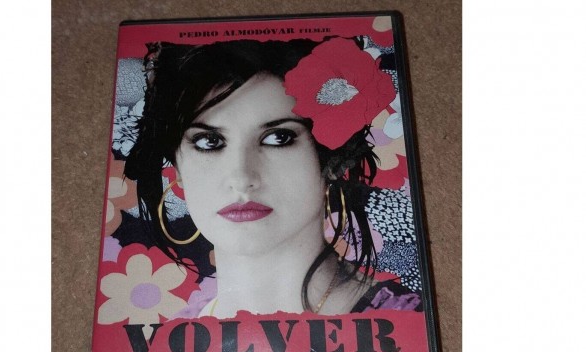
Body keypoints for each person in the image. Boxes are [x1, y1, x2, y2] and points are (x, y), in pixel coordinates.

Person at [124, 38, 421, 318]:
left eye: (279, 138)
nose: (242, 178)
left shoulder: (404, 323)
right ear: (178, 168)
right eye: (209, 142)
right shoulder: (172, 336)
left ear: (334, 159)